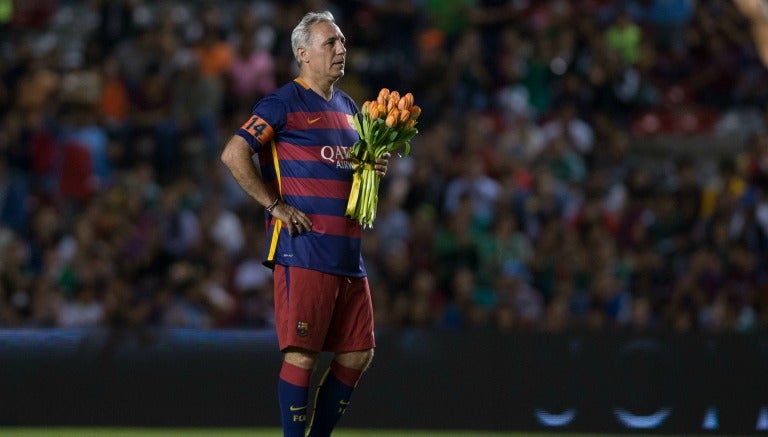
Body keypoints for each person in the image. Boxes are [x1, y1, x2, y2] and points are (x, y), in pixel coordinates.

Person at [220, 11, 389, 437]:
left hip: (348, 252)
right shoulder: (282, 102)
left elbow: (345, 172)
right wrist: (274, 204)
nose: (340, 49)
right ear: (302, 53)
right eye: (329, 43)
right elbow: (233, 154)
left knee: (358, 353)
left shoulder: (350, 107)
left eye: (342, 42)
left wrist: (369, 167)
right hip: (305, 246)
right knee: (303, 353)